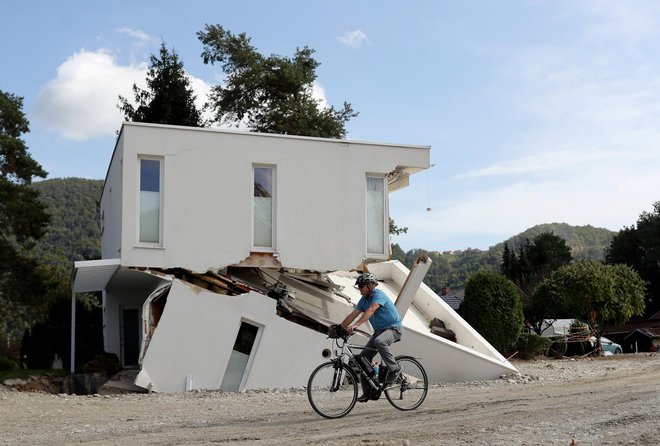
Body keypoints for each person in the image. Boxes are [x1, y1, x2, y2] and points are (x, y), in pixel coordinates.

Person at [340, 272, 402, 402]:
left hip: (393, 329)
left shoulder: (379, 295)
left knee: (380, 341)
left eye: (362, 286)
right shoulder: (364, 300)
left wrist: (356, 325)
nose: (360, 289)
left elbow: (371, 311)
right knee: (362, 358)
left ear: (370, 286)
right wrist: (339, 327)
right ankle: (369, 392)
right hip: (379, 331)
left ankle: (394, 368)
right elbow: (352, 315)